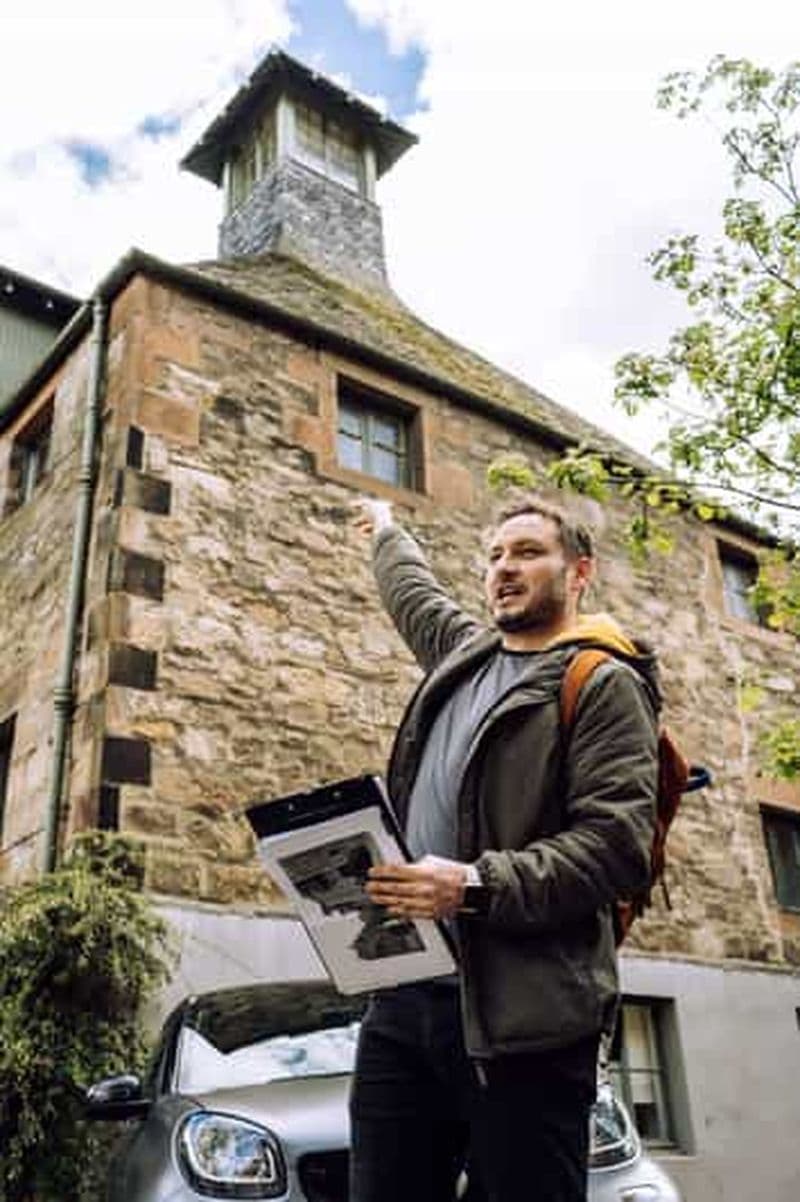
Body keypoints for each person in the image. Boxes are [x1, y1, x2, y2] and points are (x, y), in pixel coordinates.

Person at [348, 495, 660, 1202]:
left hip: (529, 1022)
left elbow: (615, 847)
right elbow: (416, 598)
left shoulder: (602, 683)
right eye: (493, 556)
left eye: (526, 553)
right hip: (404, 1000)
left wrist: (472, 885)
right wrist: (389, 531)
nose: (503, 569)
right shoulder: (464, 657)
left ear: (579, 571)